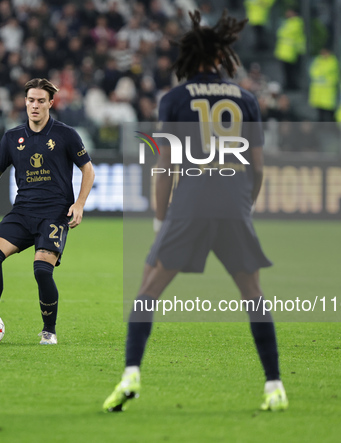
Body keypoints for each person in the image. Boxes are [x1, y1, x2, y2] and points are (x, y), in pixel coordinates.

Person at [103, 10, 287, 413]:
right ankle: (274, 386)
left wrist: (159, 217)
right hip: (234, 205)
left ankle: (131, 373)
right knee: (253, 295)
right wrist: (244, 206)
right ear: (221, 56)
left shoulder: (175, 99)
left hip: (191, 205)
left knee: (148, 291)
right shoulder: (247, 99)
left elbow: (165, 165)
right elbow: (257, 169)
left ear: (187, 57)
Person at [0, 78, 95, 345]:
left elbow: (88, 169)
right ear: (25, 102)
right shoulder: (11, 137)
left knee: (42, 270)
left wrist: (80, 204)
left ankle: (48, 331)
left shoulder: (65, 134)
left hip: (54, 214)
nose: (35, 106)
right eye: (31, 100)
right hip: (22, 212)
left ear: (51, 103)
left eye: (41, 101)